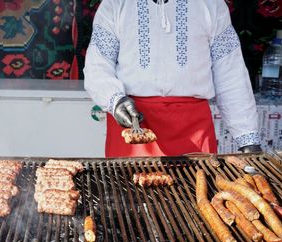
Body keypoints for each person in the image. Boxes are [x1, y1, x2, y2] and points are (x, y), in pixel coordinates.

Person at [83, 0, 262, 157]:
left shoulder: (211, 4)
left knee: (197, 193)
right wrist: (115, 101)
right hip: (133, 122)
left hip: (193, 129)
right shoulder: (115, 4)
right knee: (128, 193)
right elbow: (97, 66)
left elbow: (231, 73)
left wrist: (248, 139)